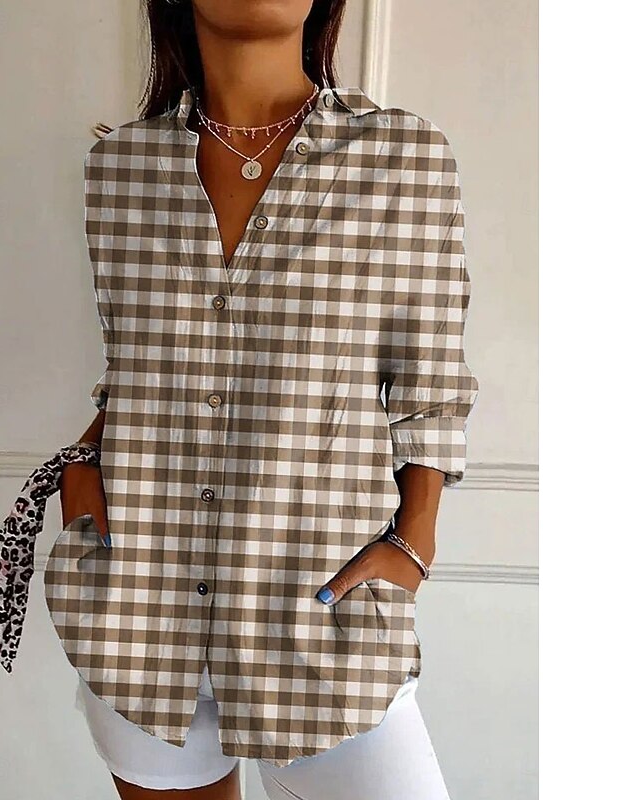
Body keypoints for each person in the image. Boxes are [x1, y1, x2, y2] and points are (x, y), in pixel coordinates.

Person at [57, 1, 479, 797]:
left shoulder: (402, 159)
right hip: (139, 614)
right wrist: (83, 462)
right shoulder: (119, 169)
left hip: (320, 619)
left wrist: (415, 541)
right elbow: (137, 366)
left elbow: (431, 385)